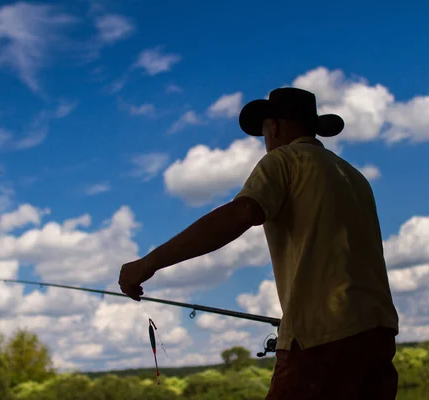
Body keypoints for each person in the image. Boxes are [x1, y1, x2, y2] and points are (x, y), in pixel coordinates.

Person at [118, 87, 400, 399]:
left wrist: (147, 264)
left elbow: (242, 213)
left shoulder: (283, 160)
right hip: (378, 335)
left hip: (321, 338)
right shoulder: (354, 176)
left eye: (264, 130)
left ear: (274, 126)